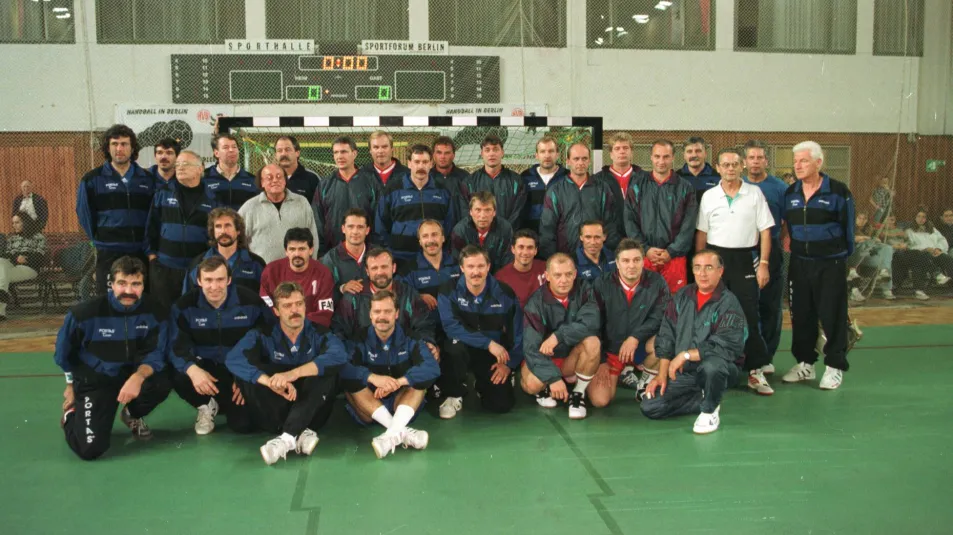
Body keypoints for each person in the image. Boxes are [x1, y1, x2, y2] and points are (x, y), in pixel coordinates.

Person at [54, 256, 172, 460]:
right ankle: (72, 414)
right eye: (122, 283)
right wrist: (71, 386)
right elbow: (64, 354)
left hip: (131, 375)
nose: (128, 291)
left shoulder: (156, 312)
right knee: (90, 449)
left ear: (144, 285)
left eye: (136, 284)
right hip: (97, 380)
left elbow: (157, 353)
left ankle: (132, 414)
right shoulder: (84, 314)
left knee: (164, 379)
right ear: (111, 284)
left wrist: (138, 377)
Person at [226, 282, 347, 465]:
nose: (294, 310)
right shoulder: (262, 334)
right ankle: (299, 431)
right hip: (278, 406)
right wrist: (270, 381)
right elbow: (234, 359)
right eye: (287, 306)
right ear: (276, 311)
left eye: (299, 304)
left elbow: (339, 355)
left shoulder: (318, 333)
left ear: (306, 306)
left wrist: (292, 374)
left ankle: (286, 439)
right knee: (257, 376)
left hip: (313, 409)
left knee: (325, 372)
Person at [696, 148, 775, 395]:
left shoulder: (754, 193)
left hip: (744, 259)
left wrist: (763, 263)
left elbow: (765, 231)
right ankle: (709, 368)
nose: (730, 169)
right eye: (725, 165)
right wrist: (700, 266)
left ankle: (755, 370)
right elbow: (702, 233)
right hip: (716, 258)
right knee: (710, 314)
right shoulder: (709, 196)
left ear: (742, 167)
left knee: (748, 313)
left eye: (734, 164)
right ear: (717, 168)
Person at [640, 250, 746, 434]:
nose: (702, 273)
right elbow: (667, 335)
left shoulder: (729, 302)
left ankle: (709, 410)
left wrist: (686, 354)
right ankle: (706, 395)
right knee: (650, 405)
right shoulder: (682, 296)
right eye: (697, 268)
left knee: (711, 365)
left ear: (720, 271)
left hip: (722, 368)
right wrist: (662, 374)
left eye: (709, 267)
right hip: (686, 372)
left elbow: (726, 344)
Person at [781, 141, 855, 390]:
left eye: (803, 161)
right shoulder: (790, 193)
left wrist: (839, 260)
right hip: (800, 264)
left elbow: (849, 231)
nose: (798, 165)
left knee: (832, 316)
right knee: (801, 315)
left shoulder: (838, 191)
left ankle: (834, 367)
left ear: (818, 162)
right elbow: (790, 229)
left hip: (830, 265)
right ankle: (806, 364)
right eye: (796, 161)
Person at [169, 257, 269, 435]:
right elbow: (175, 345)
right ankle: (206, 405)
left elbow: (267, 341)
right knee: (176, 372)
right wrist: (192, 369)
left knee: (243, 426)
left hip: (239, 369)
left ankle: (223, 403)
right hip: (205, 368)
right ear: (199, 280)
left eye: (220, 279)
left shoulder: (251, 302)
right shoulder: (184, 306)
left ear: (229, 280)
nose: (214, 286)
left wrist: (247, 375)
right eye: (208, 280)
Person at [340, 290, 438, 459]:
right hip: (370, 405)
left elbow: (432, 368)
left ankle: (389, 436)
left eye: (387, 311)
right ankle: (402, 431)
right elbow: (342, 367)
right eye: (377, 312)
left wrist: (398, 382)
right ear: (370, 314)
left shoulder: (410, 338)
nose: (382, 317)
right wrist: (372, 377)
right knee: (351, 380)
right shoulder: (359, 338)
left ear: (397, 314)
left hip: (401, 402)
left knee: (419, 383)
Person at [436, 246, 523, 418]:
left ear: (488, 266)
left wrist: (509, 364)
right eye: (470, 267)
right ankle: (454, 393)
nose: (476, 272)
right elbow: (451, 327)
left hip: (490, 356)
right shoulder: (448, 290)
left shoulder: (505, 293)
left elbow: (518, 333)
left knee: (501, 405)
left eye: (480, 266)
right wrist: (488, 343)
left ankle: (481, 385)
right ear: (461, 268)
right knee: (454, 347)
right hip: (462, 350)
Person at [520, 254, 604, 419]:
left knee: (593, 342)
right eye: (558, 275)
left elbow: (591, 323)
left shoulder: (585, 290)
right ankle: (546, 388)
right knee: (532, 385)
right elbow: (531, 347)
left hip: (571, 357)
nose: (563, 280)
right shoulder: (535, 303)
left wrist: (558, 336)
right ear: (548, 276)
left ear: (575, 274)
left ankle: (578, 394)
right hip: (546, 357)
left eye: (568, 274)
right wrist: (553, 379)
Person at [77, 124, 155, 295]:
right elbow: (85, 215)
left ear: (132, 147)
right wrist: (100, 240)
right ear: (107, 147)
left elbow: (154, 217)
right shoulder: (92, 179)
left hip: (139, 251)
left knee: (140, 299)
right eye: (114, 144)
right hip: (108, 252)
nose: (119, 148)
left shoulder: (148, 179)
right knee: (108, 301)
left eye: (124, 144)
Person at [591, 239, 669, 398]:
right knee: (601, 400)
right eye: (626, 261)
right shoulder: (602, 283)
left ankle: (644, 382)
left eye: (636, 260)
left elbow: (661, 316)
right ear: (617, 263)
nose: (631, 266)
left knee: (665, 340)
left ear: (643, 262)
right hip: (612, 350)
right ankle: (622, 372)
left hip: (640, 346)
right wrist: (601, 360)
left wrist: (635, 337)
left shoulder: (657, 282)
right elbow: (593, 323)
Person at [145, 150, 219, 310]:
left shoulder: (212, 198)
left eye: (185, 164)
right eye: (177, 164)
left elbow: (215, 234)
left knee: (194, 313)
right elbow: (151, 225)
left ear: (200, 168)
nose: (179, 168)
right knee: (163, 314)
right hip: (165, 269)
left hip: (198, 269)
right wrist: (152, 258)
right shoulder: (163, 193)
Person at [623, 139, 698, 293]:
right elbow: (629, 220)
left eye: (666, 157)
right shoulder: (637, 185)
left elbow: (688, 225)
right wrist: (645, 249)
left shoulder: (685, 187)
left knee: (674, 306)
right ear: (651, 157)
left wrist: (671, 252)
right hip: (644, 256)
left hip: (674, 258)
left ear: (673, 158)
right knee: (643, 303)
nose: (661, 161)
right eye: (657, 156)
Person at [332, 248, 436, 353]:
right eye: (374, 268)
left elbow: (424, 325)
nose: (380, 272)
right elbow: (339, 329)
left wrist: (427, 342)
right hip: (363, 359)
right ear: (367, 271)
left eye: (384, 267)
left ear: (393, 268)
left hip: (403, 356)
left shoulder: (408, 293)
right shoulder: (354, 296)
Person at [742, 140, 789, 374]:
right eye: (751, 158)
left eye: (760, 157)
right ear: (744, 162)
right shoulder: (738, 186)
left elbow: (787, 221)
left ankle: (767, 356)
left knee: (770, 306)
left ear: (766, 161)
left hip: (771, 253)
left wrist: (778, 246)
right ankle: (750, 355)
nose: (756, 162)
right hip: (744, 252)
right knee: (748, 306)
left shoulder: (779, 187)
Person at [375, 144, 455, 268]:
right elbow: (381, 226)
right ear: (409, 163)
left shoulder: (443, 191)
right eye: (417, 162)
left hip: (434, 260)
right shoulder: (392, 190)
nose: (421, 166)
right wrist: (389, 252)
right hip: (401, 259)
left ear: (431, 164)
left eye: (425, 162)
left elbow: (450, 225)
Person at [539, 143, 620, 259]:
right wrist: (552, 258)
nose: (580, 163)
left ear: (589, 161)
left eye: (584, 159)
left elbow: (610, 225)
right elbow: (547, 228)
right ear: (568, 161)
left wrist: (607, 255)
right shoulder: (556, 190)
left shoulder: (602, 188)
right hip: (565, 257)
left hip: (596, 257)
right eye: (576, 159)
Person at [313, 136, 383, 256]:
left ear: (354, 153)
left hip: (365, 253)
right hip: (332, 252)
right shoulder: (325, 184)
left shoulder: (371, 182)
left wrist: (376, 249)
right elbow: (317, 220)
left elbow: (380, 217)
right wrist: (321, 251)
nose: (339, 156)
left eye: (344, 151)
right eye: (336, 152)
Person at [240, 163, 319, 263]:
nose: (275, 180)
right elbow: (239, 241)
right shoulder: (249, 207)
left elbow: (313, 237)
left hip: (297, 270)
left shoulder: (301, 202)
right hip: (262, 272)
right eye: (269, 178)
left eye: (279, 177)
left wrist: (312, 265)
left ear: (285, 180)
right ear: (262, 182)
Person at [260, 228, 335, 328]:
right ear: (286, 251)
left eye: (302, 249)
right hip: (277, 330)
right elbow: (265, 305)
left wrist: (295, 324)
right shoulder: (271, 271)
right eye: (292, 249)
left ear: (311, 250)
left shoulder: (323, 273)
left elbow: (324, 313)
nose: (297, 254)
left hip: (312, 331)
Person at [400, 219, 461, 337]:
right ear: (420, 241)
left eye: (434, 235)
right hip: (424, 331)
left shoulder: (458, 265)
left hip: (455, 328)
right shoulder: (409, 270)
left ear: (443, 238)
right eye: (425, 236)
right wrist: (418, 296)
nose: (430, 240)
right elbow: (398, 294)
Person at [183, 207, 266, 294]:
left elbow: (265, 301)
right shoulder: (198, 264)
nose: (223, 231)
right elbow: (187, 301)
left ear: (238, 230)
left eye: (228, 225)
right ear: (213, 231)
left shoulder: (256, 264)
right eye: (218, 226)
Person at [460, 134, 526, 229]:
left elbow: (518, 213)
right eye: (487, 150)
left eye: (495, 149)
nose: (491, 154)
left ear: (502, 152)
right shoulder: (469, 182)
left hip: (508, 237)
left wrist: (505, 231)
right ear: (482, 154)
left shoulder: (516, 181)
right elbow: (466, 213)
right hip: (479, 239)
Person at [592, 132, 644, 244]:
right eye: (617, 148)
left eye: (626, 148)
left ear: (632, 152)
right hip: (608, 243)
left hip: (640, 242)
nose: (622, 151)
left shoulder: (644, 179)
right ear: (610, 154)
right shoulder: (598, 180)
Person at [450, 191, 513, 271]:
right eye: (478, 210)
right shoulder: (460, 231)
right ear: (470, 212)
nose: (482, 216)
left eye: (487, 210)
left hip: (498, 277)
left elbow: (507, 262)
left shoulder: (505, 229)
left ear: (494, 212)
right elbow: (458, 263)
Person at [0, 212, 46, 320]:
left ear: (25, 223)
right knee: (1, 262)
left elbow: (39, 258)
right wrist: (17, 258)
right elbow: (7, 255)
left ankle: (1, 312)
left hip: (29, 269)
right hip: (10, 266)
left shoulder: (38, 237)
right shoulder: (12, 239)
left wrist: (26, 259)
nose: (14, 225)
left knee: (2, 276)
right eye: (13, 223)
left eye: (17, 222)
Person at [321, 208, 371, 302]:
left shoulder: (377, 255)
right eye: (350, 227)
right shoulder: (330, 259)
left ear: (367, 230)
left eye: (360, 227)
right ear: (343, 229)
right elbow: (323, 295)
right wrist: (342, 288)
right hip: (341, 314)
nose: (355, 232)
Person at [521, 136, 567, 236]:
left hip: (559, 233)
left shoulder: (567, 177)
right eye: (542, 151)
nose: (547, 155)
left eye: (551, 151)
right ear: (536, 155)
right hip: (531, 234)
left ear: (557, 154)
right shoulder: (525, 177)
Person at [882, 214, 932, 300]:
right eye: (888, 220)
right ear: (884, 222)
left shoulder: (900, 230)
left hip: (905, 251)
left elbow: (909, 242)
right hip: (892, 253)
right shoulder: (881, 231)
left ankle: (919, 290)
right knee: (916, 257)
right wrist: (894, 245)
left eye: (893, 220)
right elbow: (879, 243)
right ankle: (921, 287)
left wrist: (905, 244)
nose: (890, 222)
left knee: (919, 256)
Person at [204, 133, 258, 211]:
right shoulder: (204, 178)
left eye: (234, 147)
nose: (231, 150)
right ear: (216, 153)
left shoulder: (252, 180)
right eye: (226, 147)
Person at [848, 212, 895, 300]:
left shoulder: (869, 229)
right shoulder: (849, 227)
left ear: (867, 220)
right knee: (863, 243)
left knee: (887, 249)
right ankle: (854, 291)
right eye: (859, 218)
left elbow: (877, 240)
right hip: (855, 257)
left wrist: (872, 240)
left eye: (864, 219)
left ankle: (886, 287)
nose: (862, 221)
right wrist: (866, 239)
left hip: (867, 256)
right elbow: (850, 239)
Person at [494, 229, 547, 307]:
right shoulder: (500, 278)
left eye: (530, 247)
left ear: (535, 251)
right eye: (521, 247)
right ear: (513, 249)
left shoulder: (548, 268)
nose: (525, 252)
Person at [906, 208, 953, 285]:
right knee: (926, 256)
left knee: (947, 258)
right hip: (921, 254)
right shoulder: (909, 231)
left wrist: (938, 248)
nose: (921, 219)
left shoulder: (932, 229)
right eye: (919, 216)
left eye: (923, 217)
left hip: (935, 252)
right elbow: (909, 246)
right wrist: (925, 249)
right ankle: (937, 275)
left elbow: (942, 240)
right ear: (915, 218)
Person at [430, 136, 470, 218]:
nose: (442, 157)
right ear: (433, 155)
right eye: (439, 152)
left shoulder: (465, 177)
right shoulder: (427, 177)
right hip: (434, 228)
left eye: (447, 153)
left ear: (453, 155)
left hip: (459, 228)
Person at [275, 135, 320, 203]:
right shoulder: (268, 179)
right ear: (276, 155)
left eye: (288, 149)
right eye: (279, 150)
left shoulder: (312, 179)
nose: (283, 154)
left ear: (297, 153)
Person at [677, 136, 720, 204]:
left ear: (705, 154)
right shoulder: (676, 177)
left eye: (698, 151)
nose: (694, 155)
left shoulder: (718, 177)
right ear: (684, 155)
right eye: (689, 151)